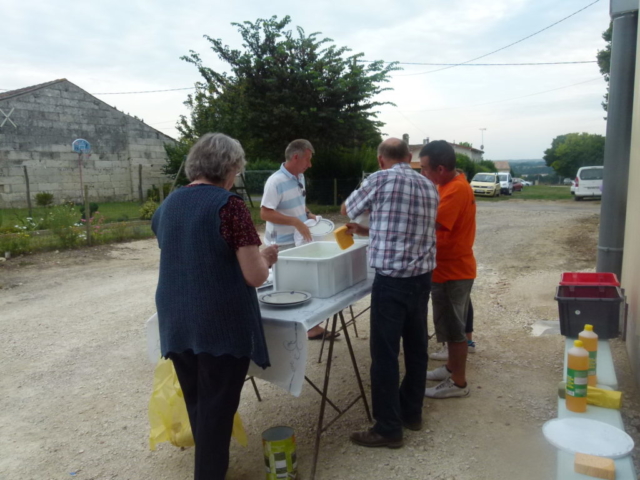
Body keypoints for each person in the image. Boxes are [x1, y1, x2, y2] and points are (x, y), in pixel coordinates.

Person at [151, 133, 278, 480]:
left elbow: (185, 250)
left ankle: (209, 468)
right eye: (237, 168)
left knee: (200, 404)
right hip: (219, 323)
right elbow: (254, 276)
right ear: (230, 167)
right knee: (217, 411)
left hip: (176, 319)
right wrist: (266, 257)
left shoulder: (168, 205)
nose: (236, 174)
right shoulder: (229, 205)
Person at [343, 137, 438, 448]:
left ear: (380, 159)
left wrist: (363, 203)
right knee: (416, 347)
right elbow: (407, 229)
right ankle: (412, 413)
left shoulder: (378, 178)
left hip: (392, 281)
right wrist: (371, 229)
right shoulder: (429, 186)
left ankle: (387, 427)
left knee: (384, 355)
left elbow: (348, 209)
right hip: (421, 278)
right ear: (409, 157)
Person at [260, 139, 336, 340]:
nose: (309, 165)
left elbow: (300, 202)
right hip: (282, 242)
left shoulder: (299, 176)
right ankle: (286, 330)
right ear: (296, 157)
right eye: (308, 160)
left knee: (304, 282)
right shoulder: (275, 181)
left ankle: (310, 327)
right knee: (287, 285)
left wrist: (308, 214)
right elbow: (265, 213)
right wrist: (295, 222)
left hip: (299, 239)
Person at [419, 140, 477, 399]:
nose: (422, 174)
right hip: (444, 269)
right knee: (447, 325)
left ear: (440, 168)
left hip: (454, 270)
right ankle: (451, 368)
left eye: (424, 169)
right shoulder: (447, 185)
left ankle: (459, 383)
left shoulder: (455, 190)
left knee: (455, 331)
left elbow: (432, 227)